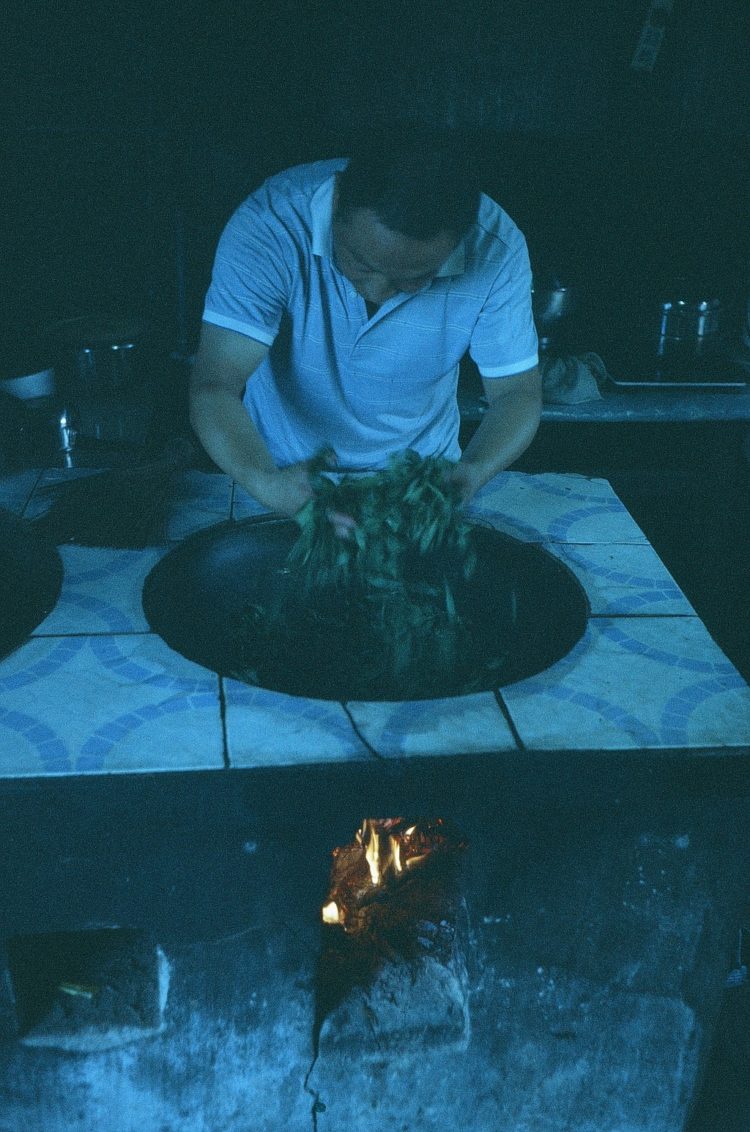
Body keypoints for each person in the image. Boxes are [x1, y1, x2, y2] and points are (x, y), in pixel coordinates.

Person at [189, 124, 541, 526]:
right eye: (359, 262)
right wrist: (266, 481)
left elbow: (517, 393)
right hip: (277, 473)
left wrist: (472, 472)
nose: (379, 290)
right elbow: (216, 381)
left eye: (414, 277)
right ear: (337, 199)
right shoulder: (270, 223)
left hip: (418, 487)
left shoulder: (496, 248)